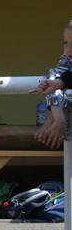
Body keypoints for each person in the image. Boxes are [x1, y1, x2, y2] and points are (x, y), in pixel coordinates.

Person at [29, 20, 72, 149]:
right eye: (66, 43)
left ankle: (53, 119)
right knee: (56, 81)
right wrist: (58, 118)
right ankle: (57, 119)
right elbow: (55, 78)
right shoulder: (66, 59)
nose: (69, 49)